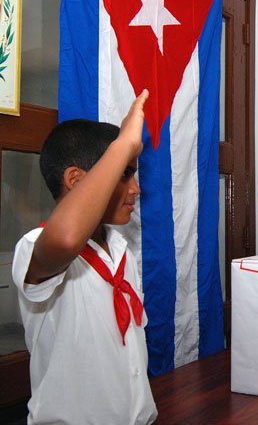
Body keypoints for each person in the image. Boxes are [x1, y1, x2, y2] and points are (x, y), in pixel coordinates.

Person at [12, 90, 158, 424]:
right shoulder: (34, 247)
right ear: (76, 180)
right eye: (125, 173)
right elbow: (66, 238)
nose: (135, 188)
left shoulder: (121, 250)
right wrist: (122, 145)